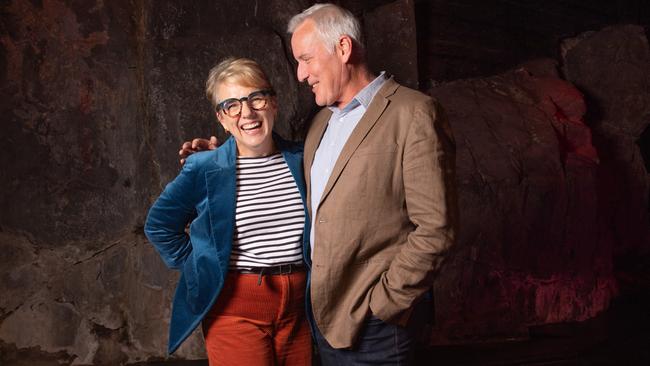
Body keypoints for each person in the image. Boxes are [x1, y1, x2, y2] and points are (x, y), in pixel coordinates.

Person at [180, 3, 458, 365]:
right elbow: (276, 161)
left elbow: (437, 228)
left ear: (343, 49)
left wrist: (386, 303)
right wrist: (223, 157)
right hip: (321, 321)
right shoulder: (320, 123)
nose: (300, 74)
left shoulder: (414, 113)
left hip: (377, 323)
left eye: (306, 59)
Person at [145, 57, 312, 365]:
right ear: (221, 118)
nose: (246, 112)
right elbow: (159, 227)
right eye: (232, 105)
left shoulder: (305, 159)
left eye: (256, 98)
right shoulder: (204, 166)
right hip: (236, 311)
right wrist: (201, 266)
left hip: (300, 311)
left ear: (273, 103)